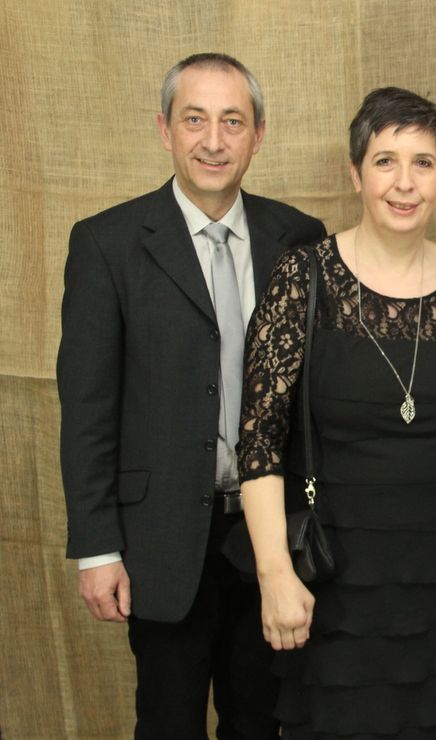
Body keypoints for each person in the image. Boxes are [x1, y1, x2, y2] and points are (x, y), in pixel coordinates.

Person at [57, 53, 325, 739]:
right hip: (161, 540)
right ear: (164, 129)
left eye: (232, 121)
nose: (213, 141)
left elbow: (314, 398)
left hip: (271, 536)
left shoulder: (299, 239)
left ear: (258, 135)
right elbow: (87, 410)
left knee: (260, 721)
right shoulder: (107, 244)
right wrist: (97, 549)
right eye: (195, 120)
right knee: (168, 722)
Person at [238, 87, 436, 739]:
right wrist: (274, 574)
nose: (404, 183)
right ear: (355, 174)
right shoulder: (303, 277)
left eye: (422, 163)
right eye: (386, 161)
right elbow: (259, 442)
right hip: (338, 582)